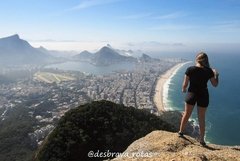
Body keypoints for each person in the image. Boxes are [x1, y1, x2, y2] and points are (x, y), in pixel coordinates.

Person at [178, 52, 219, 146]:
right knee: (201, 118)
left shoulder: (190, 69)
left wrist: (184, 89)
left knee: (186, 114)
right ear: (206, 61)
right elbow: (215, 84)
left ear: (197, 59)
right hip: (203, 95)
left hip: (191, 93)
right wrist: (216, 75)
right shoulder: (209, 71)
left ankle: (180, 132)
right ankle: (202, 140)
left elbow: (184, 85)